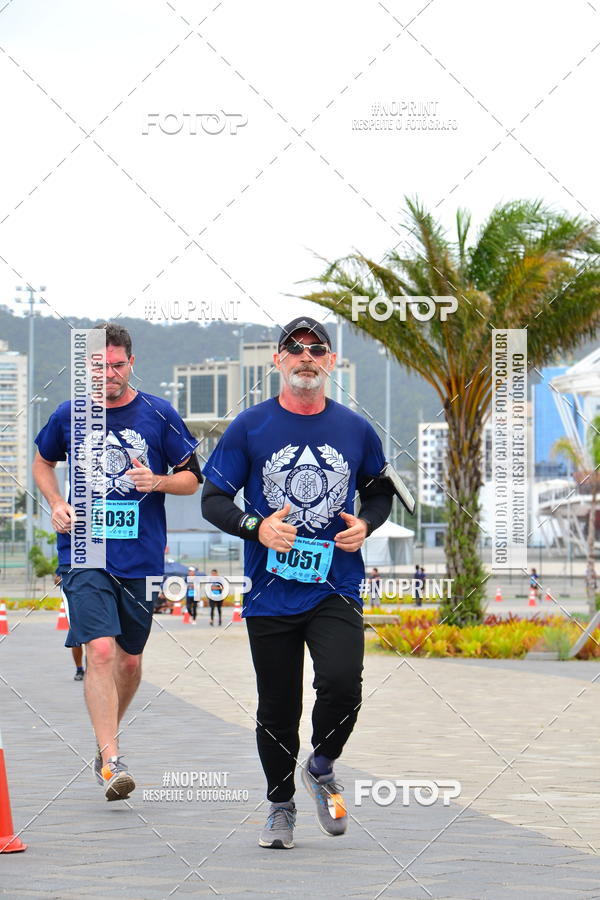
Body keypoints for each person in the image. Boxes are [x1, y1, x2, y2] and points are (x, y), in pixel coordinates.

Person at [201, 316, 394, 849]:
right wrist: (255, 526)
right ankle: (280, 805)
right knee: (277, 708)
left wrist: (366, 524)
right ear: (277, 361)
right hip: (270, 591)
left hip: (335, 586)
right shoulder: (249, 427)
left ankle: (323, 763)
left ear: (330, 362)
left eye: (317, 348)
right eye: (294, 348)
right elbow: (213, 499)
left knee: (343, 684)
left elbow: (380, 493)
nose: (306, 356)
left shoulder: (355, 429)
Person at [33, 322, 202, 801]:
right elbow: (42, 462)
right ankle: (112, 759)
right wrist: (55, 502)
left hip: (142, 556)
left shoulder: (158, 413)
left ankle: (105, 737)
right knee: (100, 652)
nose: (108, 373)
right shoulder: (71, 414)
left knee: (129, 660)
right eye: (98, 366)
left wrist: (159, 481)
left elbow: (193, 478)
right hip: (85, 551)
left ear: (132, 363)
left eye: (116, 364)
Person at [55, 570, 85, 680]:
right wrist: (62, 579)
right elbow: (57, 580)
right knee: (76, 639)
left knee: (94, 640)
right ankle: (79, 669)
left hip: (92, 603)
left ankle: (93, 668)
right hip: (74, 605)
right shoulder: (67, 560)